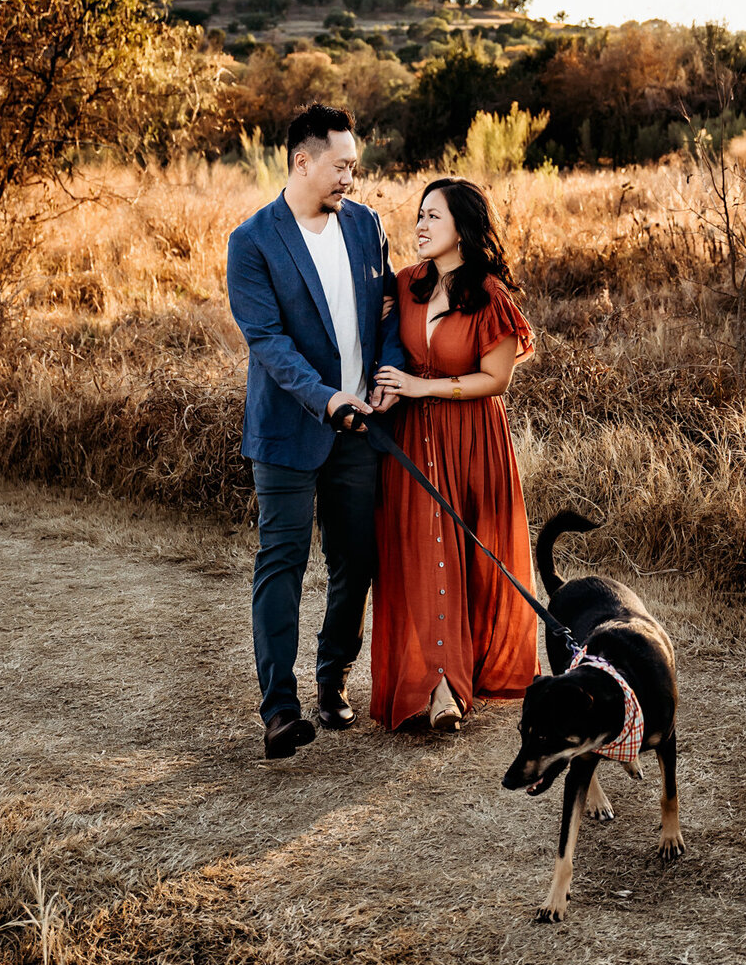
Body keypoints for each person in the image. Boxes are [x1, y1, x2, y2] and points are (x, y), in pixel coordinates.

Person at [226, 103, 403, 759]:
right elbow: (267, 342)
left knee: (356, 562)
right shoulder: (251, 242)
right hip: (287, 434)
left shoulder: (365, 225)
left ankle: (333, 683)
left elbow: (387, 312)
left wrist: (389, 371)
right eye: (341, 167)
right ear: (303, 161)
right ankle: (279, 711)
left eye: (354, 168)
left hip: (360, 428)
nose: (350, 180)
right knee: (282, 564)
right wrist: (324, 398)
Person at [370, 176, 539, 731]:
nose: (419, 225)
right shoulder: (406, 282)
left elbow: (496, 380)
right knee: (422, 554)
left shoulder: (492, 298)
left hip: (472, 442)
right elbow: (383, 342)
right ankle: (438, 685)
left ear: (462, 229)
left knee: (470, 559)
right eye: (418, 215)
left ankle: (471, 670)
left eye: (433, 217)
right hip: (413, 443)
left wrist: (423, 388)